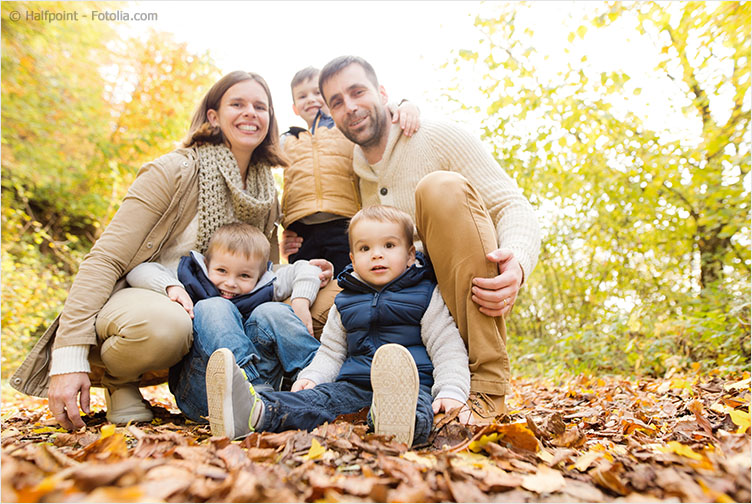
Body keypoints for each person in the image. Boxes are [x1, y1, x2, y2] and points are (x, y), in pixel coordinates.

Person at [10, 71, 336, 429]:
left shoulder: (264, 192)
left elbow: (262, 274)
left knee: (325, 299)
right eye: (238, 104)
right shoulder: (175, 170)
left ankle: (319, 387)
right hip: (153, 294)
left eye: (261, 107)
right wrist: (68, 358)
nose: (251, 113)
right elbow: (106, 258)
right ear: (213, 116)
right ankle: (121, 382)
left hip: (227, 316)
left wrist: (303, 280)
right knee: (169, 323)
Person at [283, 56, 541, 422]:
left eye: (358, 92)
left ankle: (485, 388)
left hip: (459, 283)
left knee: (440, 188)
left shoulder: (437, 136)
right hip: (401, 300)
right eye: (337, 102)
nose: (350, 106)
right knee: (306, 301)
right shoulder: (352, 170)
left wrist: (517, 258)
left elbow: (510, 203)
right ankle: (333, 389)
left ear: (383, 93)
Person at [205, 206, 471, 446]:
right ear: (353, 259)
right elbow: (332, 351)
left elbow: (447, 347)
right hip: (353, 386)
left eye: (389, 246)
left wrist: (450, 390)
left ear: (410, 255)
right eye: (365, 249)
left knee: (417, 409)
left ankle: (395, 422)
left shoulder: (424, 294)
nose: (376, 255)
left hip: (412, 384)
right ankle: (254, 412)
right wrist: (313, 377)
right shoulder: (345, 300)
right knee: (314, 401)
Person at [125, 222, 322, 421]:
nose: (230, 282)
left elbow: (307, 268)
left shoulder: (267, 285)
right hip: (204, 393)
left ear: (260, 276)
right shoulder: (192, 278)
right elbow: (139, 270)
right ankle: (248, 389)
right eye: (221, 271)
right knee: (213, 306)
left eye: (244, 275)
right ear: (206, 264)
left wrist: (301, 301)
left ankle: (316, 379)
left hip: (267, 394)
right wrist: (172, 287)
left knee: (272, 311)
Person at [280, 66, 420, 275]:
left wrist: (407, 105)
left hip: (342, 220)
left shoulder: (343, 130)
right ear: (294, 108)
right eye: (302, 96)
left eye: (317, 93)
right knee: (305, 280)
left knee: (346, 277)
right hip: (302, 229)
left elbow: (381, 118)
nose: (310, 99)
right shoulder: (287, 140)